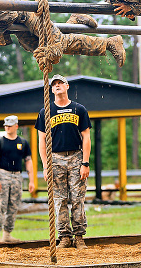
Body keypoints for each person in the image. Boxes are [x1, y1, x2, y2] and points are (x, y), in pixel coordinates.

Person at [34, 74, 91, 250]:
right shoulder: (45, 112)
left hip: (76, 157)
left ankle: (79, 236)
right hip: (55, 159)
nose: (57, 86)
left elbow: (86, 136)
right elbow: (42, 141)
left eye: (60, 83)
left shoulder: (78, 109)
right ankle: (64, 237)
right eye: (54, 84)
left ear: (67, 86)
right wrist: (45, 166)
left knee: (77, 198)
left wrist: (85, 163)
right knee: (59, 200)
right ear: (51, 89)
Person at [0, 115, 35, 242]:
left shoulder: (22, 142)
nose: (7, 128)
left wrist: (31, 180)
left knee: (14, 205)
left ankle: (7, 233)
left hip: (17, 175)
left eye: (10, 126)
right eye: (6, 126)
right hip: (3, 174)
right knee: (0, 205)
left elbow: (28, 161)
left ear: (16, 126)